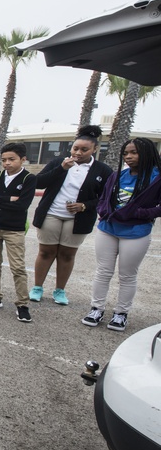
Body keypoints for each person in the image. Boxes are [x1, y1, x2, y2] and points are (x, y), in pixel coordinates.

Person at [82, 137, 161, 332]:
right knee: (103, 271)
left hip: (136, 232)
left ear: (147, 153)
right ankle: (96, 309)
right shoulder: (118, 175)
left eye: (134, 152)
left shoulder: (157, 178)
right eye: (125, 153)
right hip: (107, 229)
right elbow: (104, 198)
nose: (129, 157)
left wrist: (139, 213)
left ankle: (121, 313)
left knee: (127, 275)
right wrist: (103, 211)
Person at [29, 126, 112, 306]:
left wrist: (85, 205)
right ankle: (37, 287)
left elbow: (106, 198)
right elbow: (38, 183)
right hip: (51, 213)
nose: (78, 153)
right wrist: (61, 168)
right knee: (46, 252)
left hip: (79, 218)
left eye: (84, 149)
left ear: (94, 150)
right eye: (75, 148)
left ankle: (59, 290)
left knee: (67, 254)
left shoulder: (103, 170)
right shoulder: (59, 163)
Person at [0, 142, 37, 323]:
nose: (7, 163)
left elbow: (22, 205)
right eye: (4, 160)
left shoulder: (28, 179)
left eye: (11, 159)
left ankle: (22, 304)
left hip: (14, 229)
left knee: (18, 267)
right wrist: (7, 198)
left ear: (23, 159)